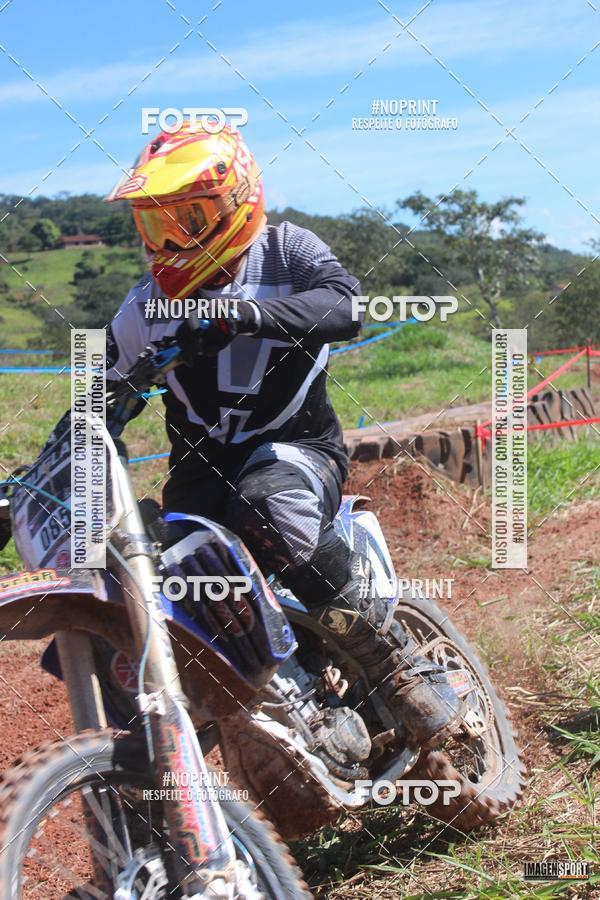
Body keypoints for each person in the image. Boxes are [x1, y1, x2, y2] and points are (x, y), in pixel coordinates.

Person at [105, 121, 460, 746]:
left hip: (297, 448)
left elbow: (347, 306)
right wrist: (35, 485)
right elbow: (93, 407)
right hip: (200, 475)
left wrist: (245, 315)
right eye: (156, 224)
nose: (173, 239)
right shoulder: (138, 315)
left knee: (267, 506)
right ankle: (155, 778)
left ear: (238, 202)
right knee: (146, 571)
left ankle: (395, 662)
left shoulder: (287, 250)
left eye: (190, 218)